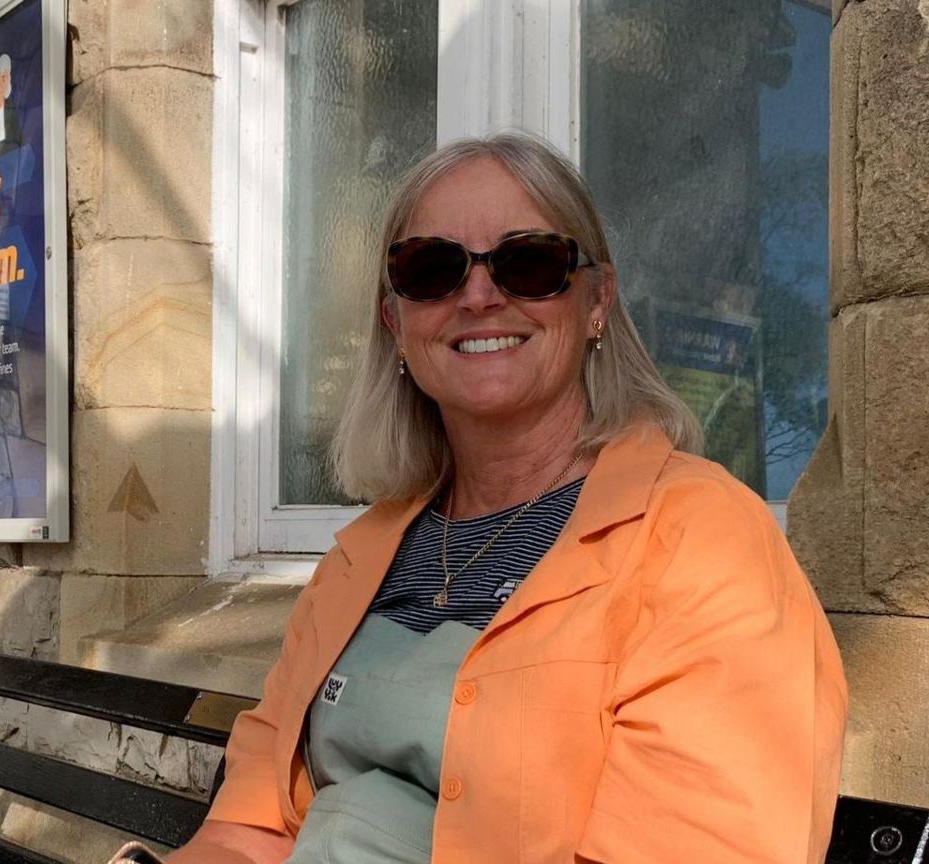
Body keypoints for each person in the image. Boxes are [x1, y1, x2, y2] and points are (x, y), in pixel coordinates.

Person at [167, 133, 847, 863]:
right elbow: (250, 829)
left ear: (596, 303)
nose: (480, 296)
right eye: (432, 269)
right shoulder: (364, 554)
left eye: (530, 264)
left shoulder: (701, 540)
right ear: (396, 323)